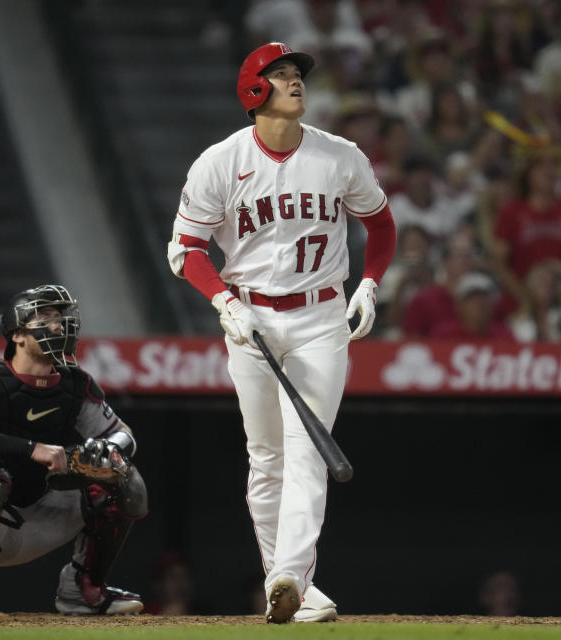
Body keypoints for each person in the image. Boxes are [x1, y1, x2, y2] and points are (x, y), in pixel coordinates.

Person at [166, 42, 396, 624]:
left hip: (321, 317)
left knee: (307, 451)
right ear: (254, 90)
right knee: (266, 457)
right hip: (250, 318)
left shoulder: (339, 155)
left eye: (298, 75)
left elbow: (382, 223)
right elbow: (186, 248)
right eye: (283, 75)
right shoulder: (219, 162)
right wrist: (221, 300)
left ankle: (291, 573)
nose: (296, 82)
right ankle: (286, 585)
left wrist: (369, 283)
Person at [0, 285, 146, 617]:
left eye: (60, 317)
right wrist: (32, 449)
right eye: (45, 317)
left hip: (40, 514)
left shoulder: (75, 385)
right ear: (18, 334)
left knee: (125, 480)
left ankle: (83, 589)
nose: (58, 325)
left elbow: (124, 435)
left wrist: (108, 451)